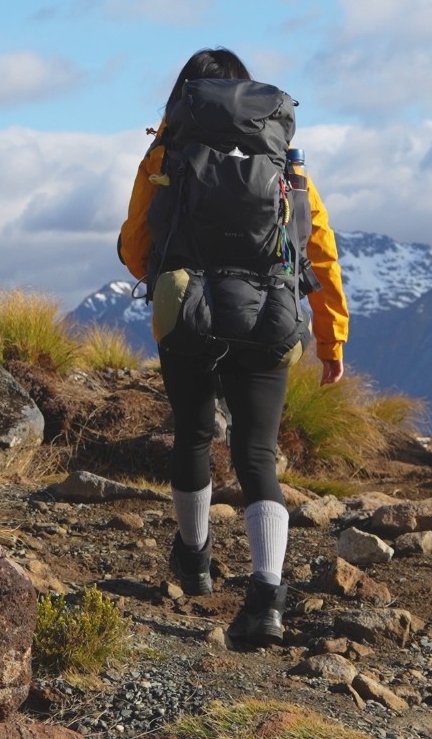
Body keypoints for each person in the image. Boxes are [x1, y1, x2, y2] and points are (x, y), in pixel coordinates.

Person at [117, 48, 349, 644]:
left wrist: (169, 276)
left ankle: (194, 561)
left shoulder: (167, 151)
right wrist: (331, 335)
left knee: (194, 433)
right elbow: (316, 245)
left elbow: (134, 242)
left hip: (186, 306)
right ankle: (266, 597)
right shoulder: (282, 159)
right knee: (257, 454)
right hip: (270, 315)